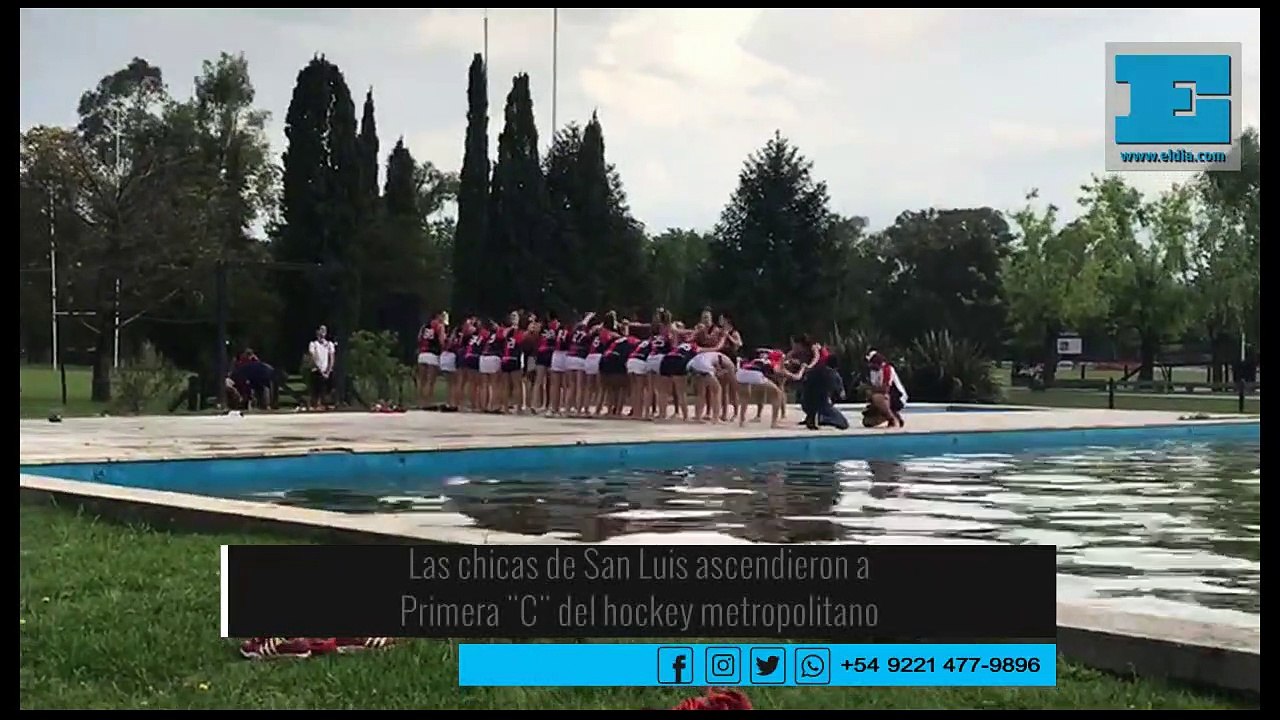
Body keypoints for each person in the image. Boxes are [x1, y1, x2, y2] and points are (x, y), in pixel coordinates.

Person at [865, 350, 908, 428]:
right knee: (868, 421)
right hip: (884, 397)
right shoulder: (872, 372)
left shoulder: (887, 369)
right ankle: (895, 415)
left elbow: (885, 389)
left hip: (897, 397)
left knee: (877, 397)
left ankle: (892, 419)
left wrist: (872, 391)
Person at [416, 311, 448, 409]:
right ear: (438, 316)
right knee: (430, 381)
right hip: (432, 354)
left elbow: (419, 338)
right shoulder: (439, 326)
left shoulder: (424, 326)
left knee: (422, 381)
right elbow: (441, 340)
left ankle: (420, 402)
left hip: (422, 353)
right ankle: (428, 402)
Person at [307, 325, 337, 409]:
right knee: (316, 391)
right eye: (321, 330)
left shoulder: (329, 344)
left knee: (327, 391)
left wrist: (328, 371)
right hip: (317, 371)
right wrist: (321, 371)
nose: (323, 332)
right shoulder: (313, 344)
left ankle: (326, 405)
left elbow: (332, 358)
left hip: (327, 371)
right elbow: (313, 357)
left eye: (324, 330)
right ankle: (315, 405)